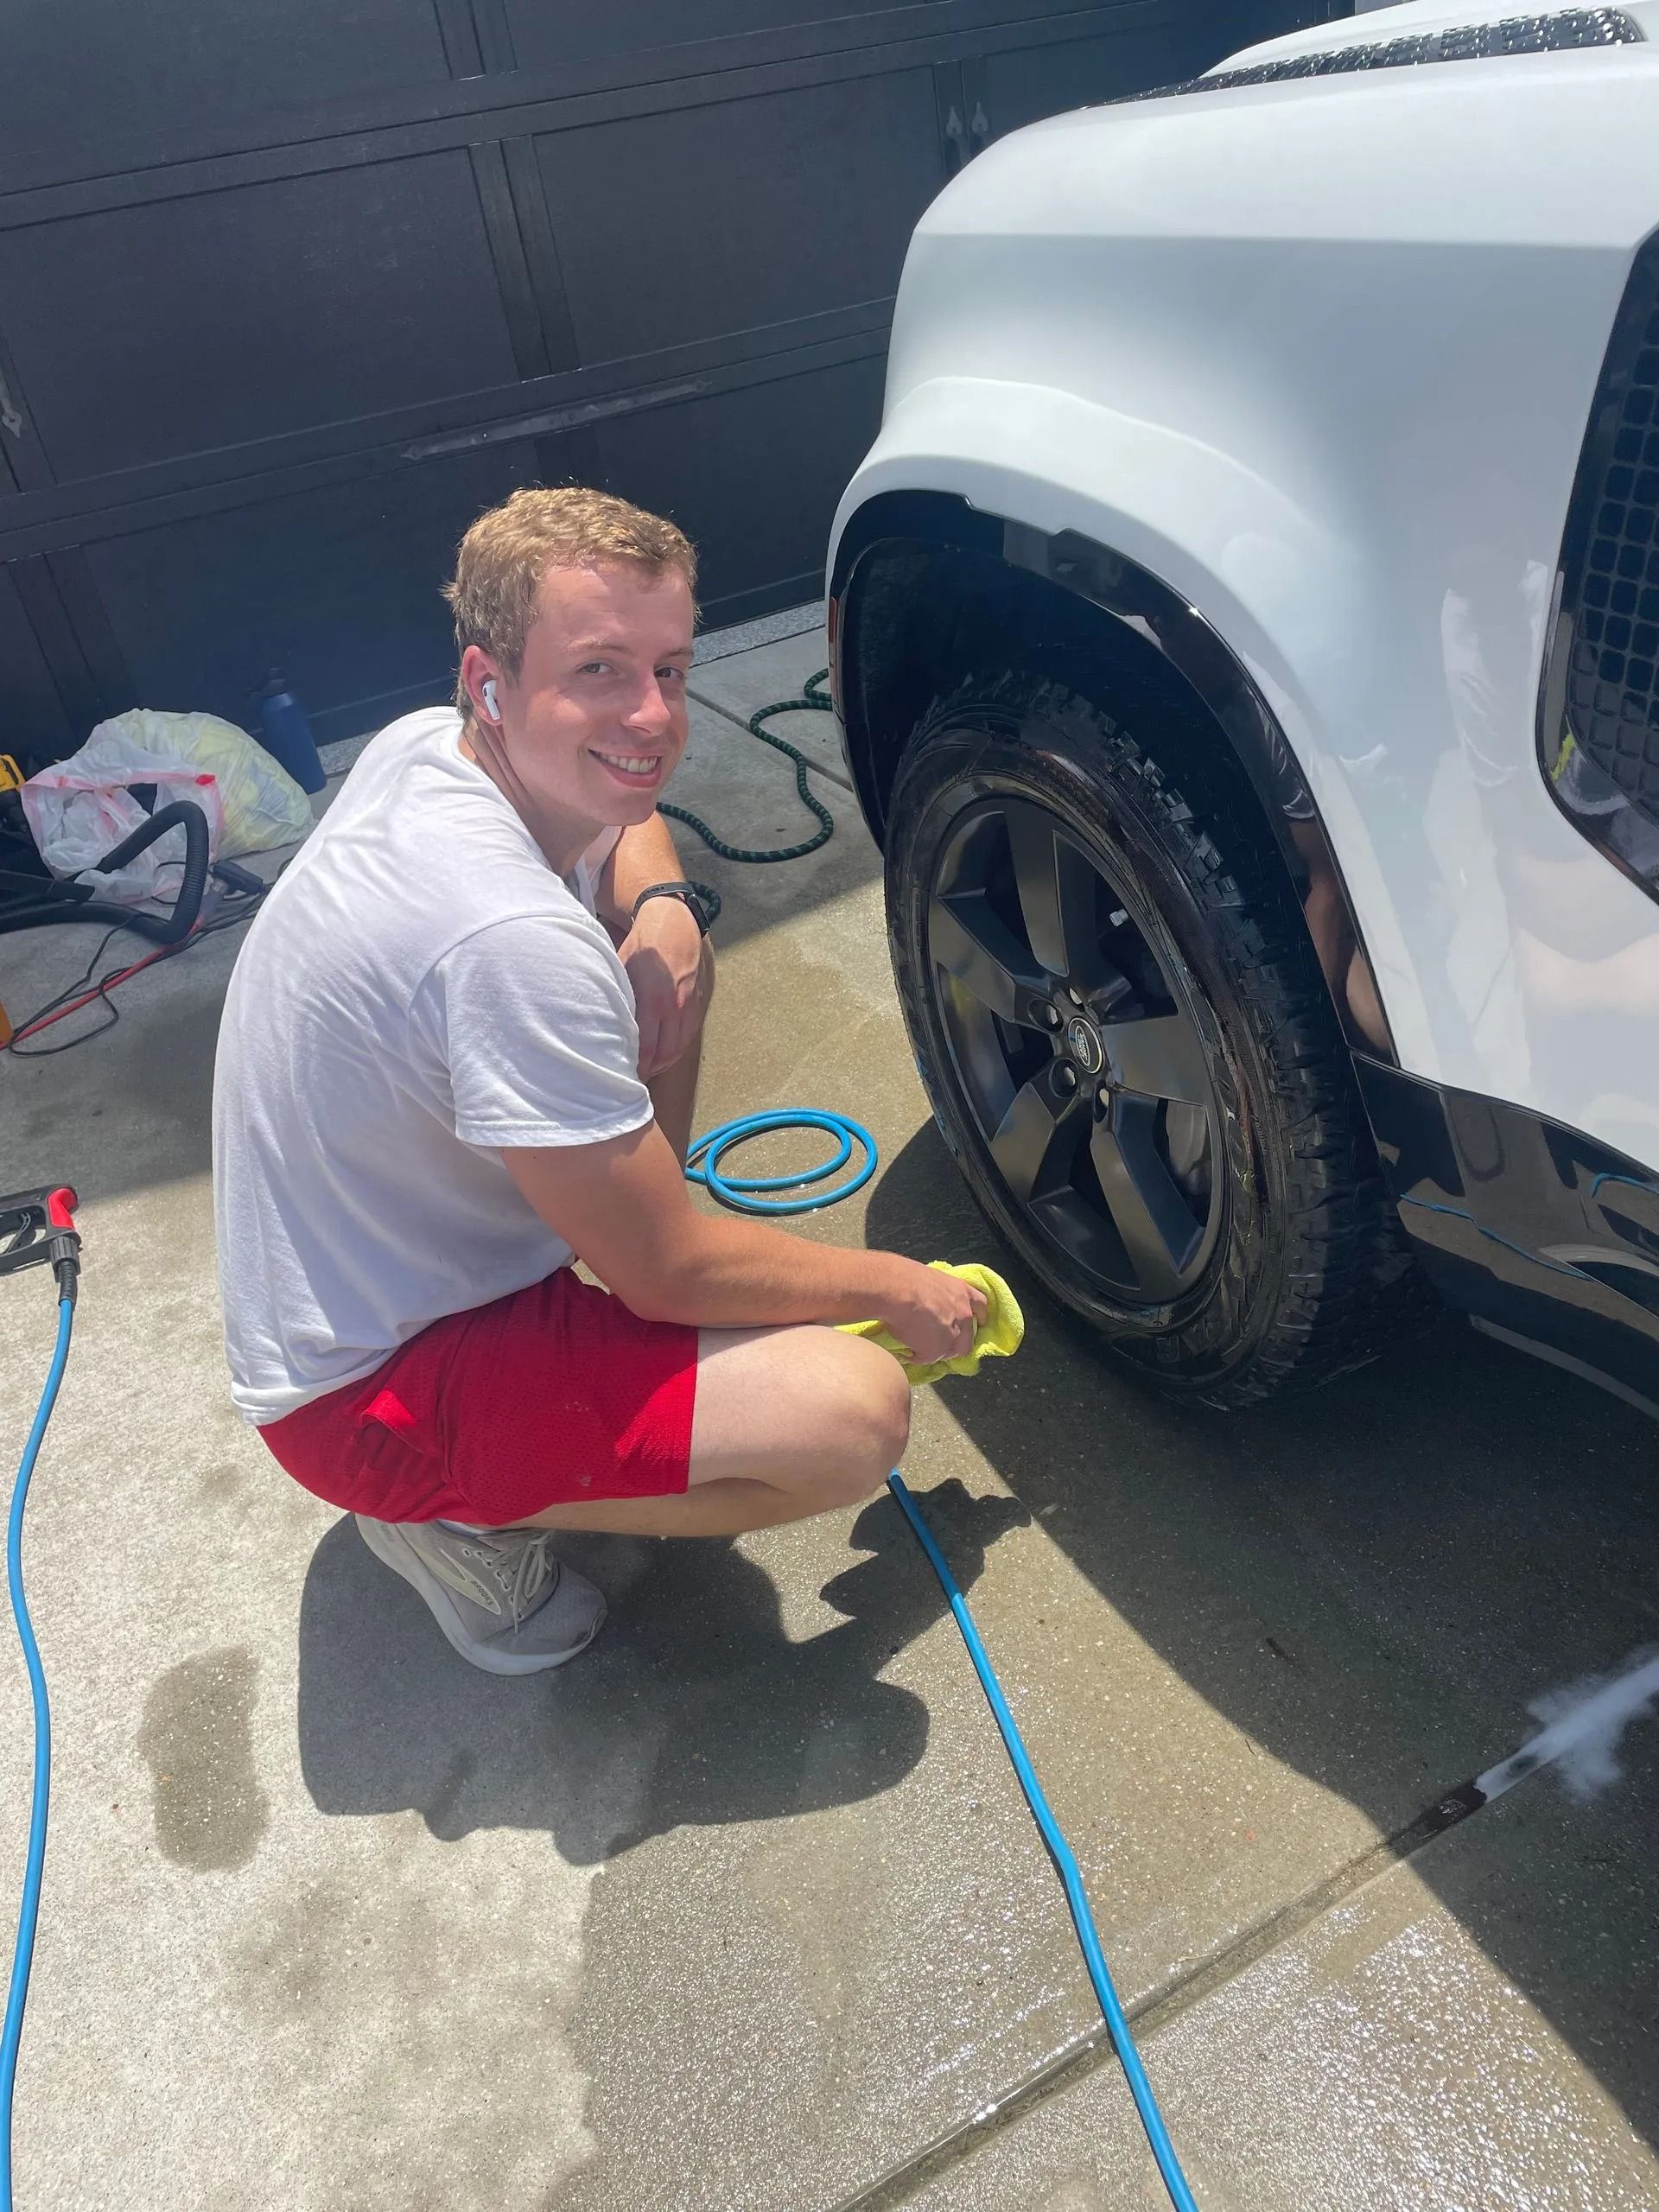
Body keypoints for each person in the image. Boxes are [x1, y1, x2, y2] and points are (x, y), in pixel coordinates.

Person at [212, 486, 984, 1675]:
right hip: (365, 1395)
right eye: (602, 669)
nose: (653, 715)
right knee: (853, 1414)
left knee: (675, 967)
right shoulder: (507, 943)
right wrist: (897, 1288)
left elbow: (630, 807)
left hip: (381, 1282)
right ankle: (464, 1523)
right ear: (492, 679)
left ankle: (597, 1305)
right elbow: (672, 1274)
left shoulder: (431, 746)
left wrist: (667, 912)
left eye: (672, 669)